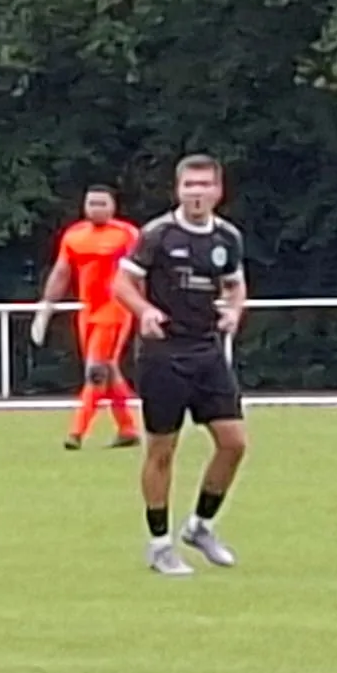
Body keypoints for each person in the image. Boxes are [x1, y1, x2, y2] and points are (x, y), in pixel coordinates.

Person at [112, 155, 247, 577]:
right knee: (162, 450)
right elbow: (121, 283)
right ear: (178, 189)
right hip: (164, 355)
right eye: (189, 185)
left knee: (234, 443)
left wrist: (234, 311)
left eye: (204, 184)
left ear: (218, 191)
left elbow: (235, 283)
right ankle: (159, 545)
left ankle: (200, 526)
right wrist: (145, 311)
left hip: (207, 352)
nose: (196, 192)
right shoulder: (158, 234)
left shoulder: (227, 237)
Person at [32, 186, 142, 449]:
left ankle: (76, 432)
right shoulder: (74, 235)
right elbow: (62, 272)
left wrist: (144, 307)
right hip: (88, 310)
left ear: (113, 206)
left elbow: (140, 273)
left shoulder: (126, 234)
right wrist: (46, 305)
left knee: (96, 371)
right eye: (92, 203)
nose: (96, 208)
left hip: (116, 309)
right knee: (108, 370)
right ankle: (128, 429)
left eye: (102, 203)